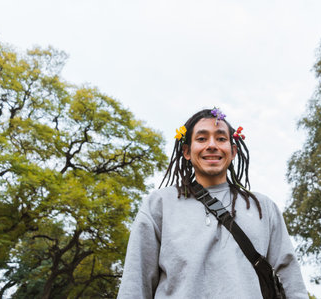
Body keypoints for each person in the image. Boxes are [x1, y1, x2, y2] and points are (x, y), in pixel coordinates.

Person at [117, 108, 308, 299]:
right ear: (187, 151)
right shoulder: (159, 205)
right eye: (201, 139)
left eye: (221, 139)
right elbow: (135, 284)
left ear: (233, 151)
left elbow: (290, 279)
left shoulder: (263, 208)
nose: (211, 145)